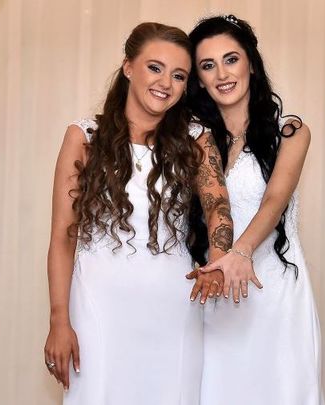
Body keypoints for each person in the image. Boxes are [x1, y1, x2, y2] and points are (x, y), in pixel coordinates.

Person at [43, 22, 231, 405]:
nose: (166, 82)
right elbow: (64, 236)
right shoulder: (84, 137)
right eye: (155, 67)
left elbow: (218, 207)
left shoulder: (197, 139)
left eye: (179, 75)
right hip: (98, 306)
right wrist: (59, 320)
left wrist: (218, 256)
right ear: (128, 66)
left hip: (173, 306)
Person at [186, 15, 325, 404]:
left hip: (274, 287)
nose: (222, 74)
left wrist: (240, 252)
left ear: (250, 62)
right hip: (217, 292)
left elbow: (274, 200)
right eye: (208, 65)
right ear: (198, 78)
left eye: (231, 59)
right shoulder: (195, 138)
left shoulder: (290, 130)